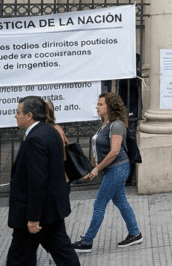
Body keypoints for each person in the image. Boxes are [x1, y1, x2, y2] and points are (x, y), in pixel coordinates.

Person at [6, 96, 81, 266]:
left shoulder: (35, 139)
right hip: (51, 209)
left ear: (29, 115)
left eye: (18, 113)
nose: (16, 116)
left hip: (37, 214)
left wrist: (33, 218)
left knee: (19, 258)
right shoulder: (50, 131)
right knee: (62, 253)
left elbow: (37, 181)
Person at [71, 93, 142, 253]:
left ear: (109, 107)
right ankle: (135, 233)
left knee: (99, 204)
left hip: (118, 169)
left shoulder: (116, 125)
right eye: (97, 104)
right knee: (121, 201)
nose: (97, 107)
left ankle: (87, 241)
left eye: (101, 104)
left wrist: (97, 169)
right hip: (111, 169)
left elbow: (114, 152)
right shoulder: (104, 124)